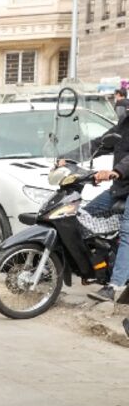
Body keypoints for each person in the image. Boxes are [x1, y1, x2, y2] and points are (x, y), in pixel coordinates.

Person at [86, 113, 129, 302]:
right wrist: (67, 158)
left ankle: (116, 286)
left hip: (122, 179)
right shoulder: (125, 122)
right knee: (86, 215)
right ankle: (99, 268)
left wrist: (116, 171)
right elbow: (101, 143)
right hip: (122, 187)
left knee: (128, 231)